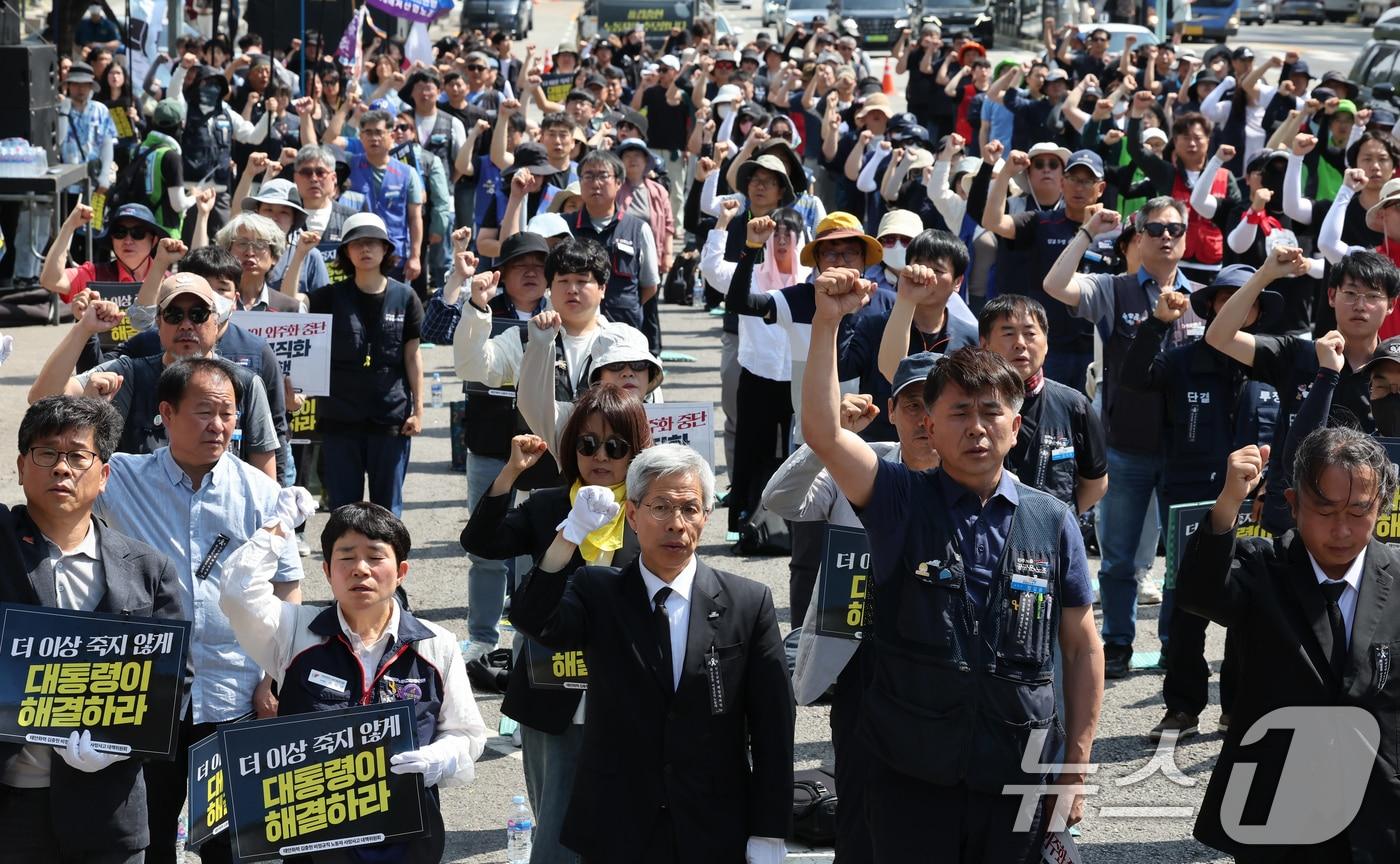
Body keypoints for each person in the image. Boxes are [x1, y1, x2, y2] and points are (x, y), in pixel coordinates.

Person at [801, 280, 1102, 864]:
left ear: (1016, 425)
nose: (977, 427)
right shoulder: (898, 499)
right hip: (911, 771)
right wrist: (826, 322)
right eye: (959, 412)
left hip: (1018, 769)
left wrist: (1077, 765)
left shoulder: (1052, 519)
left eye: (991, 412)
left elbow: (1082, 644)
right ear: (930, 427)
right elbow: (824, 433)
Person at [510, 444, 794, 864]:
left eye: (690, 509)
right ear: (632, 515)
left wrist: (768, 833)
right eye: (660, 507)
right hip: (617, 826)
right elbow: (531, 618)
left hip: (713, 825)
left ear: (706, 516)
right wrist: (569, 537)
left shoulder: (747, 603)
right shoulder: (598, 592)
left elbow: (773, 726)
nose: (676, 524)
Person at [83, 357, 303, 864]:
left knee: (232, 845)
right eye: (205, 411)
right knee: (147, 837)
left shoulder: (261, 492)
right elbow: (62, 460)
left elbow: (287, 586)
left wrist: (273, 675)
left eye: (228, 413)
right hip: (148, 694)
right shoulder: (124, 478)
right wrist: (91, 406)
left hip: (234, 693)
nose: (218, 425)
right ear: (166, 413)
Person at [220, 500, 488, 863]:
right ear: (327, 571)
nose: (360, 569)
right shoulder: (294, 631)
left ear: (401, 571)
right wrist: (278, 527)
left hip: (407, 840)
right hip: (313, 841)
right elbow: (236, 593)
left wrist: (436, 759)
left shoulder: (436, 644)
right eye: (346, 558)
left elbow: (467, 734)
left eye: (375, 557)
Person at [1177, 428, 1400, 863]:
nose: (1341, 529)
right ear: (1294, 504)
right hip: (1277, 808)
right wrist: (1228, 504)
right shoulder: (1262, 567)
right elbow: (1199, 593)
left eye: (1359, 511)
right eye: (1325, 510)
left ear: (1381, 506)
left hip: (1379, 813)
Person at [761, 353, 942, 863]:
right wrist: (828, 439)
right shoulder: (861, 462)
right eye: (912, 406)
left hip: (940, 663)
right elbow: (782, 501)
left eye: (936, 405)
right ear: (892, 411)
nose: (924, 419)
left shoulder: (974, 477)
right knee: (860, 802)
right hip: (860, 656)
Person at [461, 385, 653, 864]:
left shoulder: (651, 512)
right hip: (551, 684)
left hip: (628, 691)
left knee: (631, 821)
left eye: (616, 446)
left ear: (637, 451)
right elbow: (482, 542)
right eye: (588, 444)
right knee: (556, 824)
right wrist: (511, 472)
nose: (600, 456)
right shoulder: (549, 504)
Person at [0, 396, 190, 864]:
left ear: (103, 475)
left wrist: (122, 745)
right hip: (12, 807)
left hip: (109, 811)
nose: (61, 468)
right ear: (21, 468)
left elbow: (175, 681)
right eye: (46, 453)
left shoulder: (148, 569)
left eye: (78, 456)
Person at [1042, 198, 1205, 678]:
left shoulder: (1204, 296)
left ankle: (1176, 644)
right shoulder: (1114, 289)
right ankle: (1116, 642)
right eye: (1155, 228)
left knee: (1183, 560)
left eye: (1175, 228)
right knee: (1116, 560)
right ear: (1138, 236)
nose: (1166, 236)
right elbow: (1055, 285)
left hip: (1185, 453)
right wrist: (1088, 232)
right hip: (1127, 447)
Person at [1120, 265, 1283, 741]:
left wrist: (1275, 485)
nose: (1238, 305)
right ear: (1212, 306)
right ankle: (1182, 708)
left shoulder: (1274, 361)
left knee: (1249, 604)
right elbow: (1134, 378)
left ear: (1258, 310)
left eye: (1248, 298)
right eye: (1227, 297)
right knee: (1186, 607)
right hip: (1191, 501)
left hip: (1255, 504)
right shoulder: (1183, 360)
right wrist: (1156, 324)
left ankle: (1237, 707)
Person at [1205, 247, 1397, 534]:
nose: (1360, 305)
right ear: (1331, 296)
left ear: (1391, 304)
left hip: (1365, 522)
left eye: (1372, 296)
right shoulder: (1298, 354)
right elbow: (1219, 337)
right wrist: (1264, 275)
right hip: (1292, 520)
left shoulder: (1394, 367)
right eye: (1350, 293)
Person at [30, 272, 281, 479]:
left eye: (198, 314)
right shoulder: (128, 374)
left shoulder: (245, 384)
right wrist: (84, 328)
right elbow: (42, 397)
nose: (186, 324)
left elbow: (265, 479)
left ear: (217, 322)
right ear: (158, 324)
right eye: (174, 315)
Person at [308, 213, 425, 517]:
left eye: (373, 242)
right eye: (357, 243)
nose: (365, 249)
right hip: (339, 418)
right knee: (343, 511)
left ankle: (387, 550)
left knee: (388, 512)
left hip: (390, 418)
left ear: (386, 249)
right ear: (346, 252)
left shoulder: (406, 297)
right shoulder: (328, 298)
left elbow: (413, 357)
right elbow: (291, 307)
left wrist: (418, 411)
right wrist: (300, 257)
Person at [977, 294, 1108, 516]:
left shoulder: (1073, 405)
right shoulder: (969, 404)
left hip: (1051, 534)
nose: (1020, 343)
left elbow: (1096, 483)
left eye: (1030, 334)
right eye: (1008, 333)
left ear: (1046, 343)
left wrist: (1057, 522)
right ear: (984, 345)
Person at [566, 150, 661, 340]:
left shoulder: (638, 229)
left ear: (619, 182)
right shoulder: (564, 226)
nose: (596, 183)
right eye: (588, 176)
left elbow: (650, 286)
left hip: (623, 331)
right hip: (574, 332)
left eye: (603, 176)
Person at [346, 110, 424, 284]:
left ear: (391, 135)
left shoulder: (408, 173)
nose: (374, 138)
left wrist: (415, 256)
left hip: (394, 253)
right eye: (368, 132)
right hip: (358, 251)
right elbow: (323, 144)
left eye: (379, 132)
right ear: (361, 137)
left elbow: (415, 218)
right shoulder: (349, 165)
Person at [39, 202, 161, 304]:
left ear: (154, 240)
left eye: (138, 233)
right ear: (112, 239)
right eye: (120, 232)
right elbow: (51, 280)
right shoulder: (93, 276)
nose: (128, 241)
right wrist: (69, 226)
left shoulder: (167, 280)